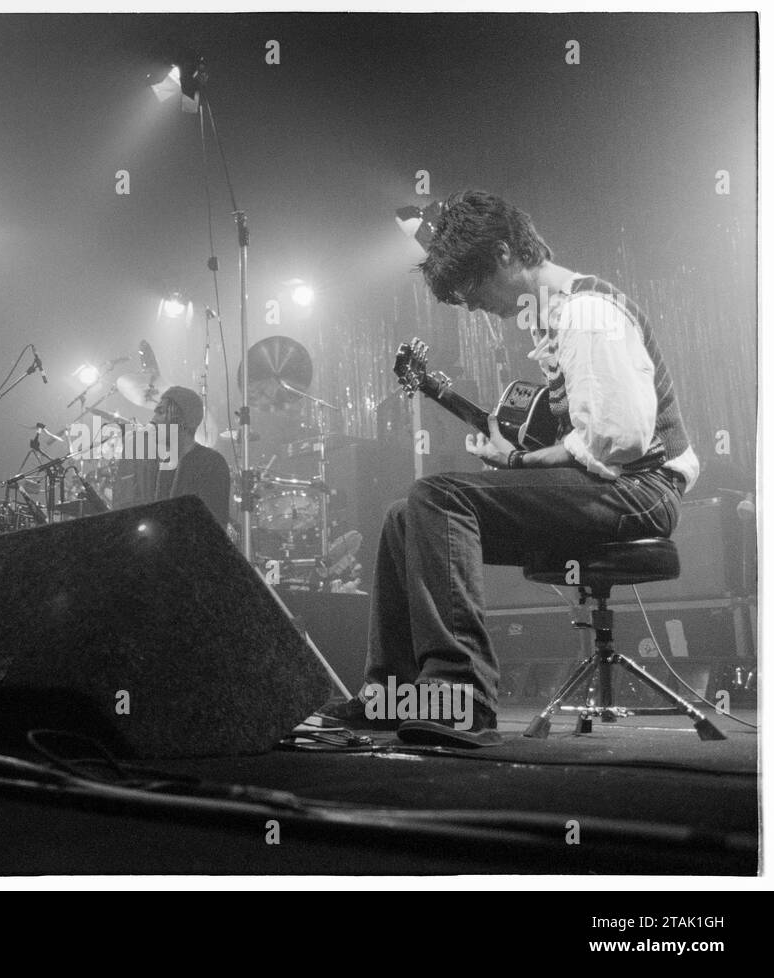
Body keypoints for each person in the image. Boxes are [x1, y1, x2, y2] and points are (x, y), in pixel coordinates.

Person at [322, 189, 699, 747]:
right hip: (615, 485)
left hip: (642, 490)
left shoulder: (588, 313)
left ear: (502, 254)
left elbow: (620, 438)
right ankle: (397, 696)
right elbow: (583, 442)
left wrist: (519, 461)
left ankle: (460, 697)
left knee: (438, 494)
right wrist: (519, 459)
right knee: (405, 517)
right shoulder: (557, 322)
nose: (472, 306)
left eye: (471, 288)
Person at [145, 385, 232, 525]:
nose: (153, 420)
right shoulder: (163, 465)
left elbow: (213, 527)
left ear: (181, 420)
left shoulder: (211, 463)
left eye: (160, 412)